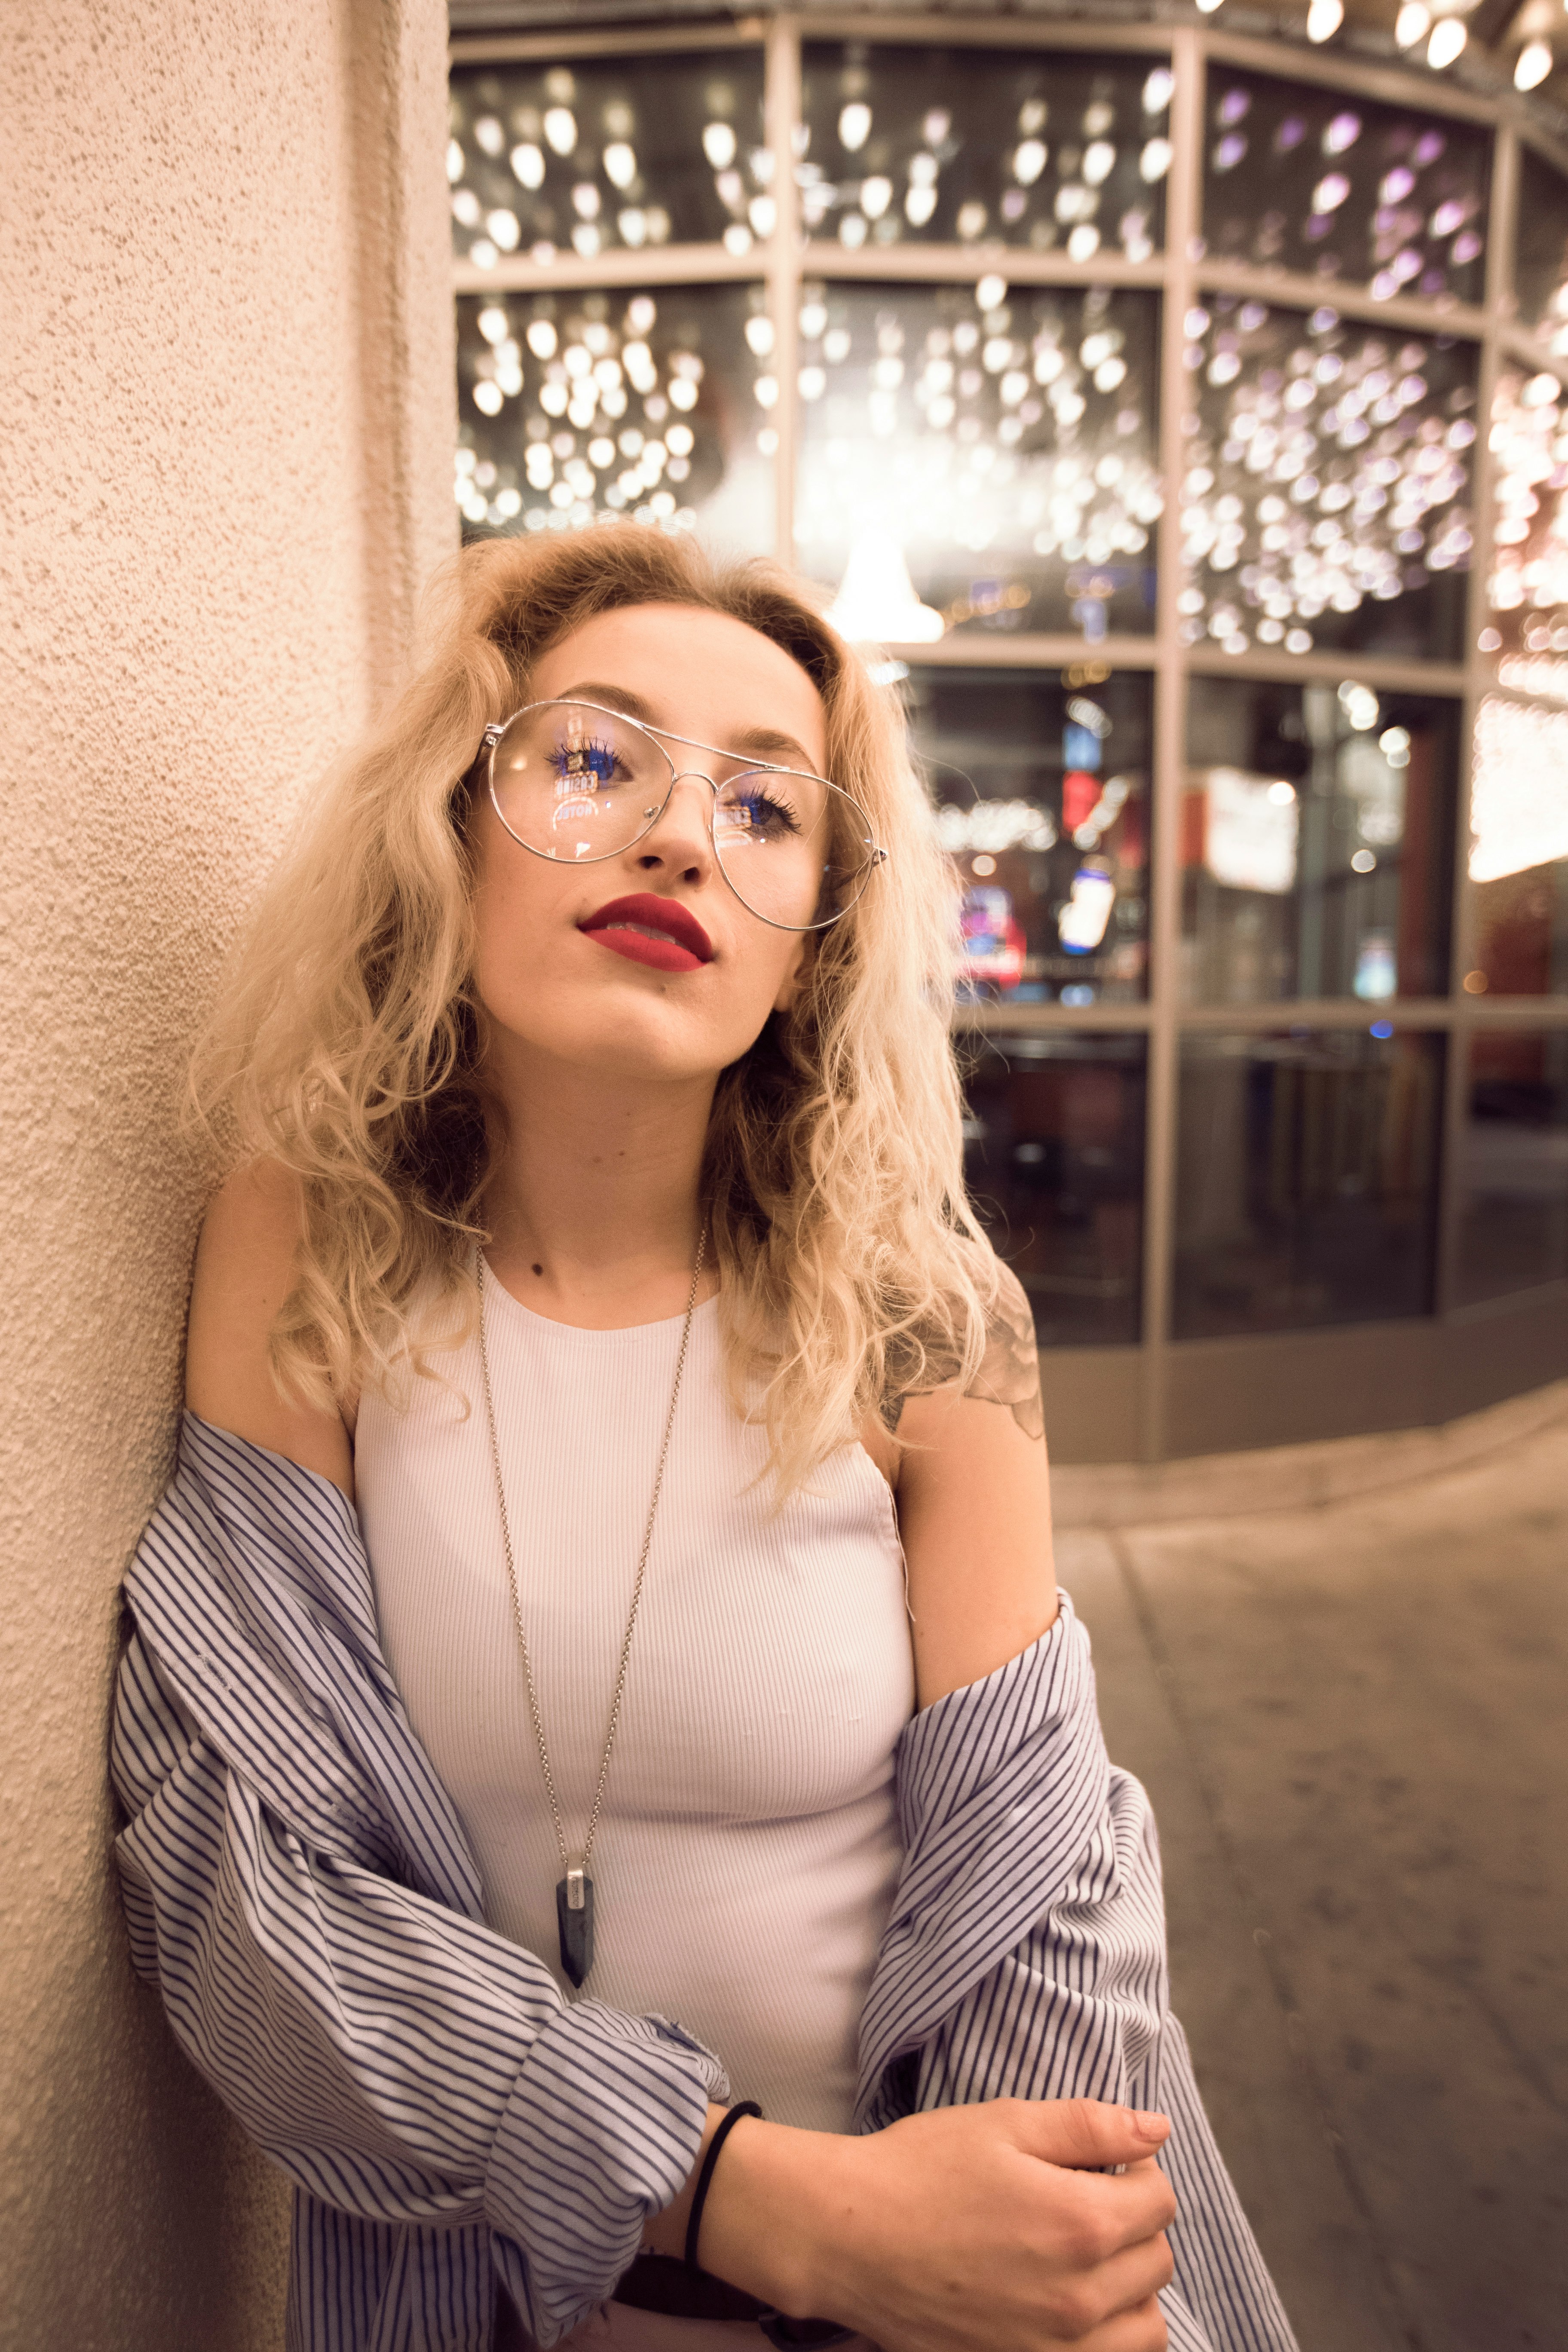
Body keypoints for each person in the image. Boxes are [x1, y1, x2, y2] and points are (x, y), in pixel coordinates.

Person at [111, 527, 1297, 2352]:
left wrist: (1041, 2262)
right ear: (454, 824)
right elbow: (241, 1881)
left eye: (766, 809)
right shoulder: (309, 1241)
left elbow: (1048, 1895)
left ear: (812, 940)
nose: (679, 834)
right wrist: (753, 2198)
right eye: (594, 758)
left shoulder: (927, 1319)